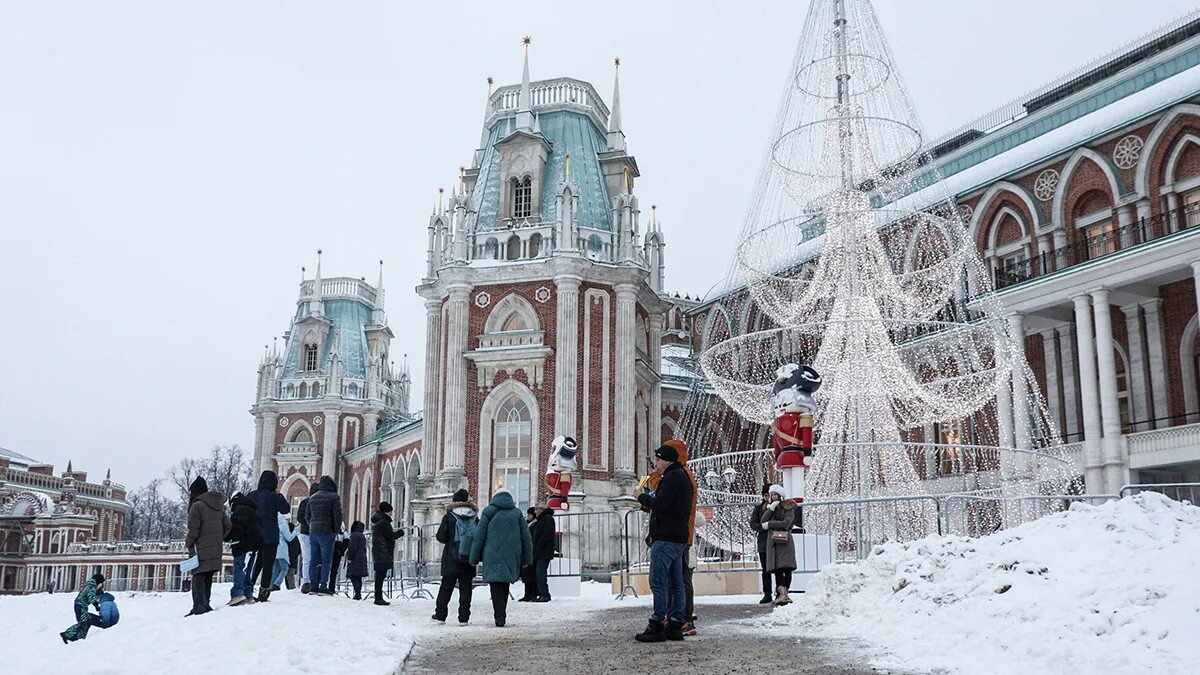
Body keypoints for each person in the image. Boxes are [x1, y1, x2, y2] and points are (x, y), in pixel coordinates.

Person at [634, 444, 695, 642]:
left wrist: (640, 497)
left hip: (666, 537)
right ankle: (675, 625)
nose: (656, 464)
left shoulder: (672, 477)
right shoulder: (682, 476)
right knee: (675, 581)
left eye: (659, 460)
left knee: (658, 581)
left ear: (668, 460)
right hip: (678, 537)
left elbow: (660, 504)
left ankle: (657, 623)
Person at [469, 487, 532, 628]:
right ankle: (502, 614)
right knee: (505, 583)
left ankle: (499, 615)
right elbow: (526, 538)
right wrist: (527, 559)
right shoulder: (517, 513)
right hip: (512, 554)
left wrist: (474, 557)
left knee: (495, 584)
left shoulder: (487, 512)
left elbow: (479, 537)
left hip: (491, 553)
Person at [184, 476, 231, 616]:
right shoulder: (217, 507)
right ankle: (206, 603)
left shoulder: (196, 506)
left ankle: (199, 605)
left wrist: (189, 542)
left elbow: (194, 529)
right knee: (208, 576)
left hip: (199, 549)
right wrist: (218, 539)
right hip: (214, 550)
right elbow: (228, 525)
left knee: (198, 576)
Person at [433, 488, 477, 623]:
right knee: (466, 589)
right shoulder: (474, 516)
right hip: (468, 558)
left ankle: (440, 615)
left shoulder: (449, 516)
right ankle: (463, 618)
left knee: (446, 587)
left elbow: (441, 536)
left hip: (451, 557)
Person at [246, 470, 290, 602]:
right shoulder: (274, 496)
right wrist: (279, 495)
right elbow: (285, 510)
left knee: (257, 562)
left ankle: (249, 586)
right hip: (270, 534)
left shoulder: (252, 495)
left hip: (255, 533)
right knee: (268, 564)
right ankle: (264, 592)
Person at [758, 484, 798, 606]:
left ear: (780, 495)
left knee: (787, 568)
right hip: (774, 542)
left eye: (775, 494)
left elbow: (786, 523)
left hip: (784, 542)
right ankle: (781, 594)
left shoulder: (788, 506)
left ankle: (785, 593)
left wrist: (770, 524)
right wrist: (770, 509)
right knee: (778, 569)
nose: (773, 496)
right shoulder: (769, 507)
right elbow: (762, 521)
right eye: (772, 495)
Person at [306, 475, 343, 594]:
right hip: (327, 532)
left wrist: (312, 525)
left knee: (313, 560)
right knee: (326, 560)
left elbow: (307, 516)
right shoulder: (334, 497)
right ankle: (323, 585)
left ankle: (313, 585)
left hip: (313, 532)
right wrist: (335, 530)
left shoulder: (312, 497)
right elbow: (337, 515)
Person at [226, 491, 263, 606]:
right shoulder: (253, 511)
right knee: (248, 570)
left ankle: (238, 593)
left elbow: (237, 527)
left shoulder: (240, 510)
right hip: (254, 546)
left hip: (242, 545)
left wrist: (228, 537)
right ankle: (248, 593)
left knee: (239, 568)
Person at [370, 501, 401, 606]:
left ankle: (378, 597)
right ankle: (378, 598)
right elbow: (390, 535)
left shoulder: (378, 521)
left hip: (379, 551)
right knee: (380, 576)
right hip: (382, 551)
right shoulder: (383, 522)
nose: (392, 514)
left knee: (379, 576)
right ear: (387, 511)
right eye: (390, 511)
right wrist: (400, 533)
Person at [60, 573, 104, 643]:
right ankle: (67, 634)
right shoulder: (92, 586)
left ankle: (77, 637)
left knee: (85, 621)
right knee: (83, 621)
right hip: (81, 605)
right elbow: (91, 595)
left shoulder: (89, 585)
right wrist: (96, 605)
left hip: (80, 605)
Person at [750, 487, 773, 604]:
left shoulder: (777, 507)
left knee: (779, 568)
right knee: (766, 569)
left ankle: (781, 591)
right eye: (766, 495)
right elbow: (753, 523)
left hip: (776, 542)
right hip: (764, 542)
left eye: (770, 495)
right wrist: (763, 527)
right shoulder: (759, 508)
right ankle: (767, 593)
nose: (768, 498)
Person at [530, 501, 556, 602]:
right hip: (540, 551)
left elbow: (547, 535)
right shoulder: (541, 520)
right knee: (539, 573)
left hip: (544, 551)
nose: (535, 512)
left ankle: (544, 594)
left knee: (541, 573)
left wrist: (538, 544)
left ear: (541, 509)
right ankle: (541, 593)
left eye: (536, 509)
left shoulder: (547, 519)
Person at [297, 482, 319, 593]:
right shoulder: (317, 503)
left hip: (305, 532)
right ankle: (309, 580)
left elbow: (299, 517)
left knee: (307, 558)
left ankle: (307, 581)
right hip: (312, 533)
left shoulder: (304, 502)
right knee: (312, 558)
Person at [271, 513, 296, 591]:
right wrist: (296, 532)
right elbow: (289, 538)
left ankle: (271, 585)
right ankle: (277, 584)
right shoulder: (284, 525)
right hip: (282, 548)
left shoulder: (273, 523)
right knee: (284, 568)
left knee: (275, 568)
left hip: (273, 548)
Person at [518, 507, 537, 602]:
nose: (528, 516)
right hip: (526, 552)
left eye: (529, 514)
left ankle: (531, 594)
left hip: (530, 552)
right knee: (526, 575)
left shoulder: (534, 525)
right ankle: (527, 594)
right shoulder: (528, 524)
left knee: (529, 575)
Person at [346, 520, 368, 601]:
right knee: (358, 576)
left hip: (355, 558)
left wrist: (350, 557)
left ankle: (357, 593)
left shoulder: (354, 535)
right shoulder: (362, 536)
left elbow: (352, 547)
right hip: (362, 557)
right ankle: (358, 593)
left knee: (353, 575)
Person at [286, 521, 301, 590]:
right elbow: (299, 550)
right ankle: (291, 588)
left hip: (288, 558)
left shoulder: (288, 538)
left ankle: (291, 588)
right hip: (294, 559)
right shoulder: (296, 538)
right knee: (290, 574)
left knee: (288, 574)